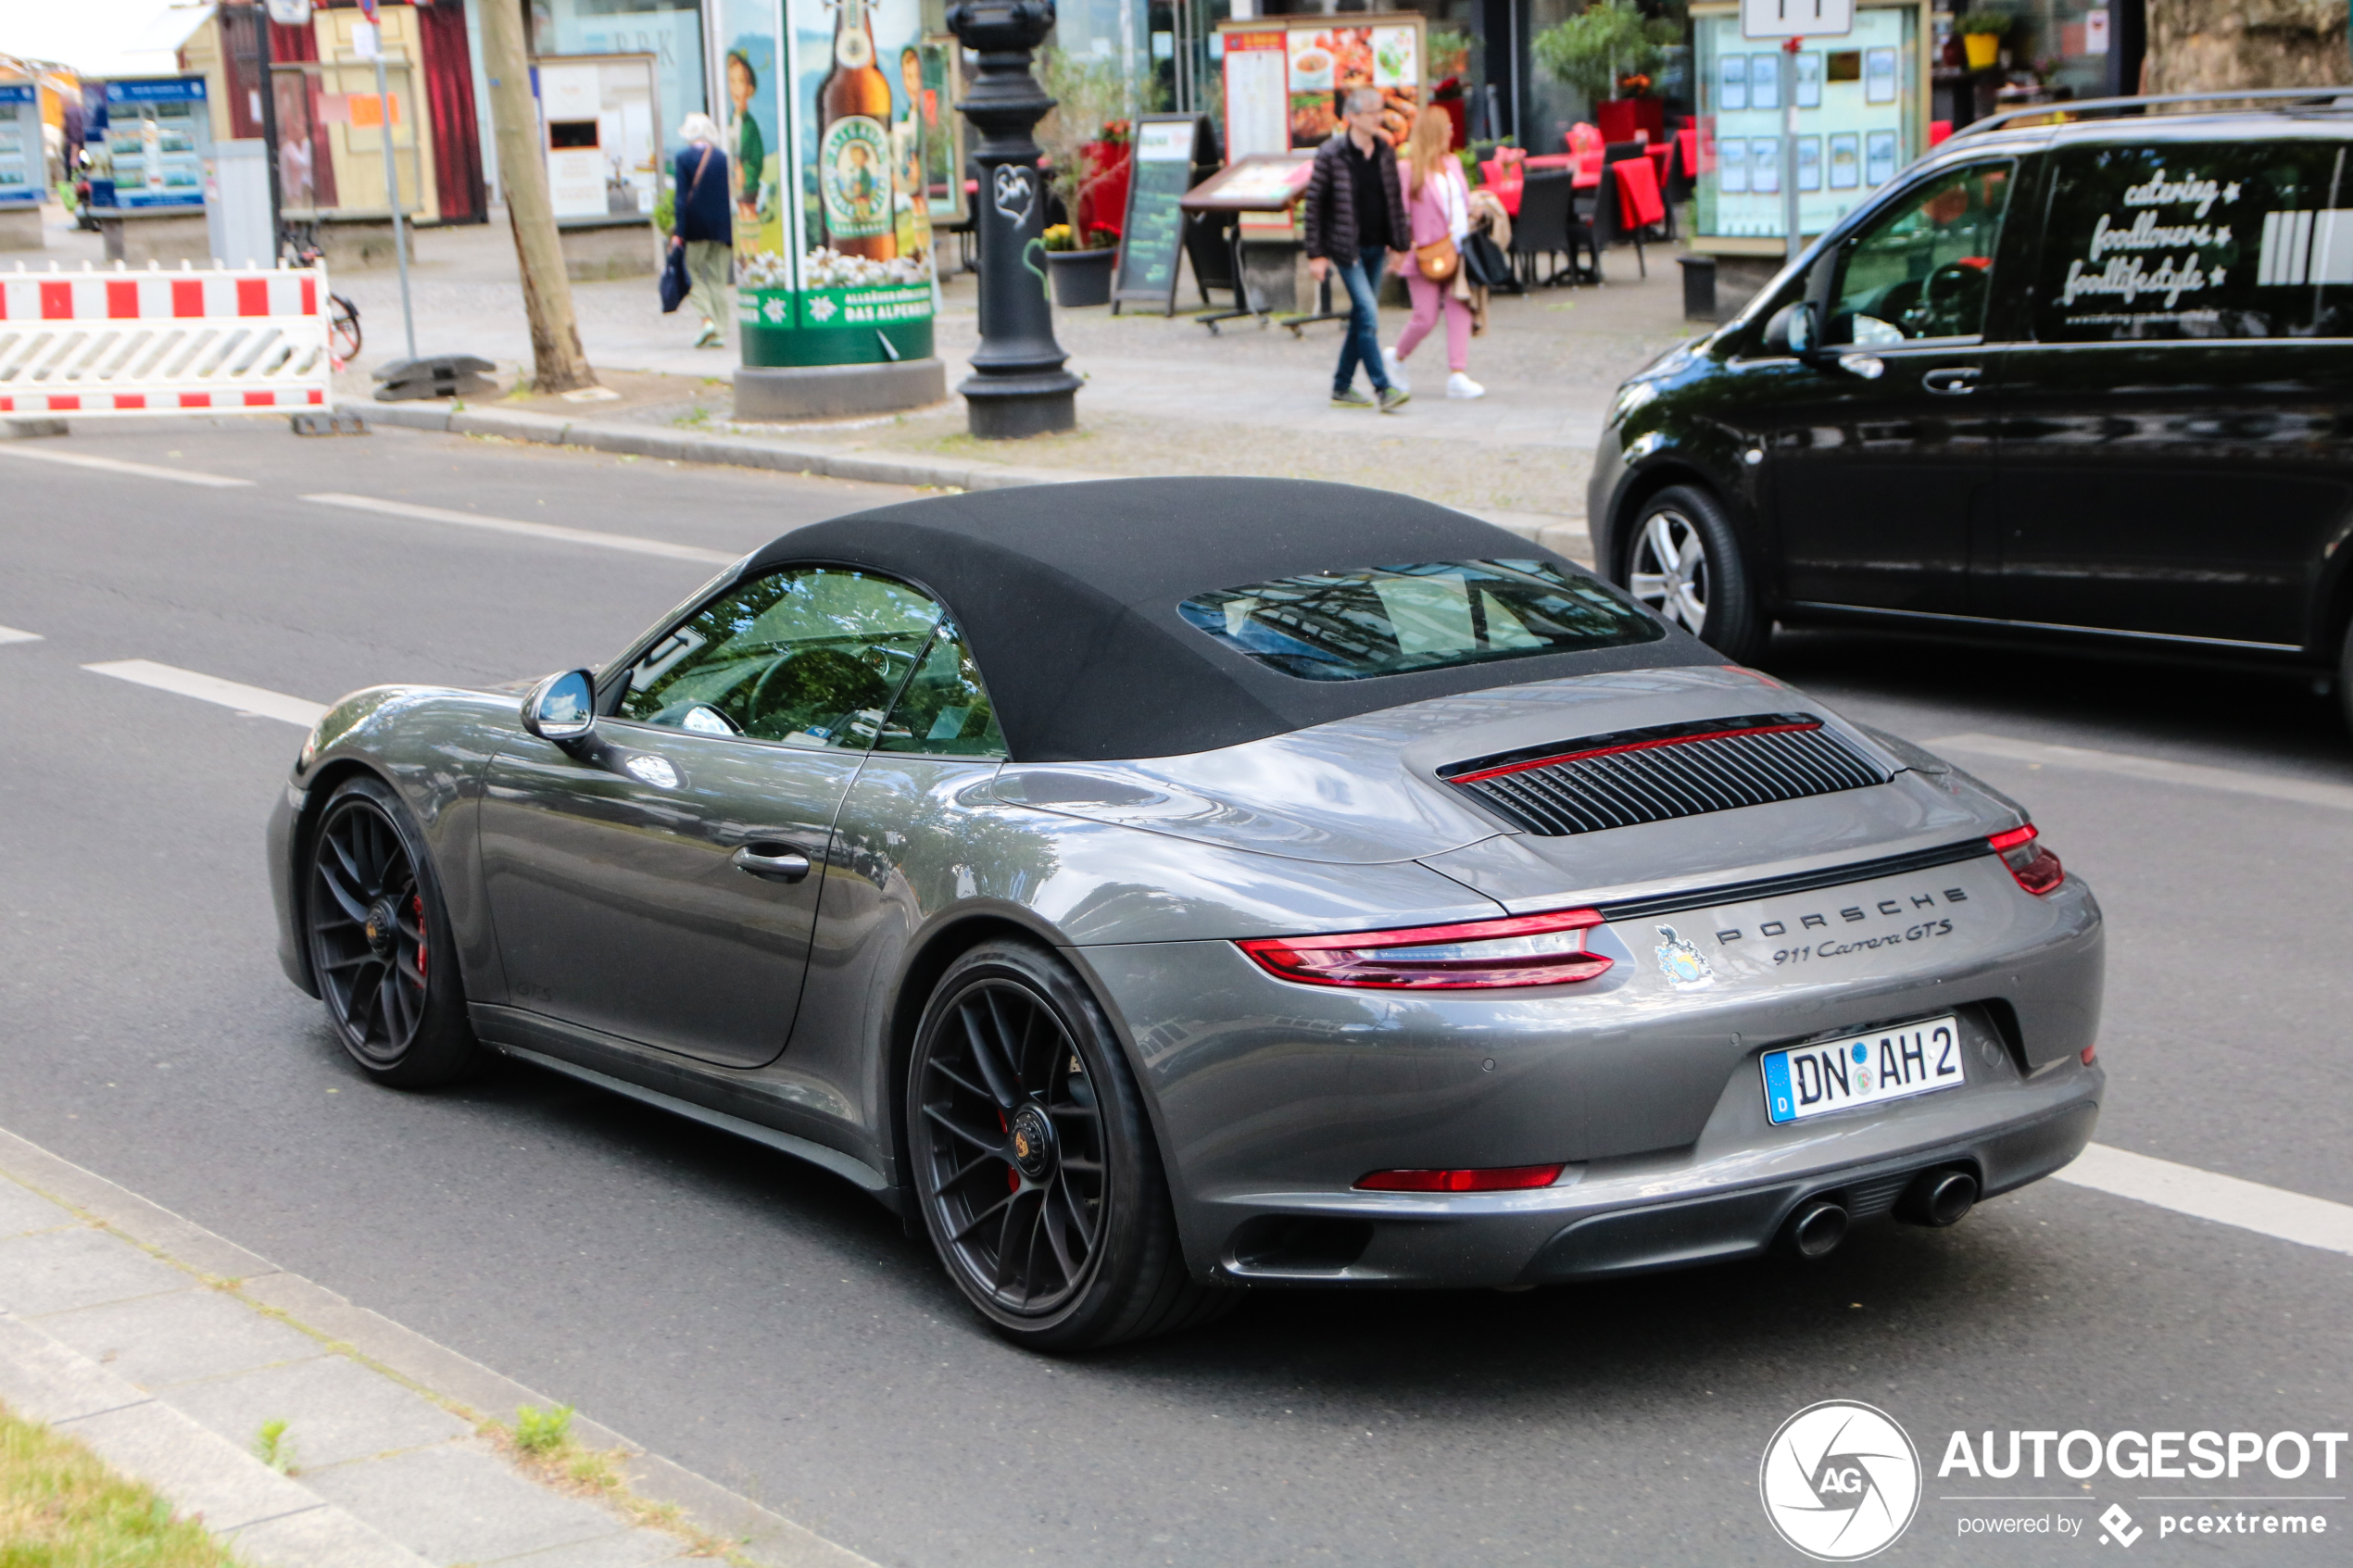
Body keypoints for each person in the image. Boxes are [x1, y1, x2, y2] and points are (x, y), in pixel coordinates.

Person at [1302, 87, 1411, 412]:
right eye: (1371, 111)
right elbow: (1314, 207)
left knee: (1362, 317)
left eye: (1380, 110)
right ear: (1351, 117)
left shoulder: (1385, 151)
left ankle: (1341, 385)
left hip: (1378, 244)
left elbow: (1394, 201)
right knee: (1369, 314)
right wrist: (1316, 254)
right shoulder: (1331, 154)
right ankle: (1383, 388)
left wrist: (1400, 245)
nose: (1378, 116)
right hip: (1347, 249)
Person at [1390, 108, 1482, 399]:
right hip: (1426, 253)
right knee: (1425, 317)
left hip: (1457, 248)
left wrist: (1474, 212)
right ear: (1434, 132)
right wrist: (1403, 245)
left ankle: (1458, 373)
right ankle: (1397, 357)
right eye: (1447, 127)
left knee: (1460, 308)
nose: (1452, 132)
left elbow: (1459, 201)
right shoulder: (1409, 169)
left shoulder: (1453, 162)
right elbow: (1397, 213)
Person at [671, 113, 732, 349]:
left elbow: (680, 199)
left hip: (695, 227)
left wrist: (680, 232)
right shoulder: (723, 158)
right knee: (718, 278)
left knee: (692, 270)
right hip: (724, 228)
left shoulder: (683, 159)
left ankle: (706, 319)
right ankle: (720, 332)